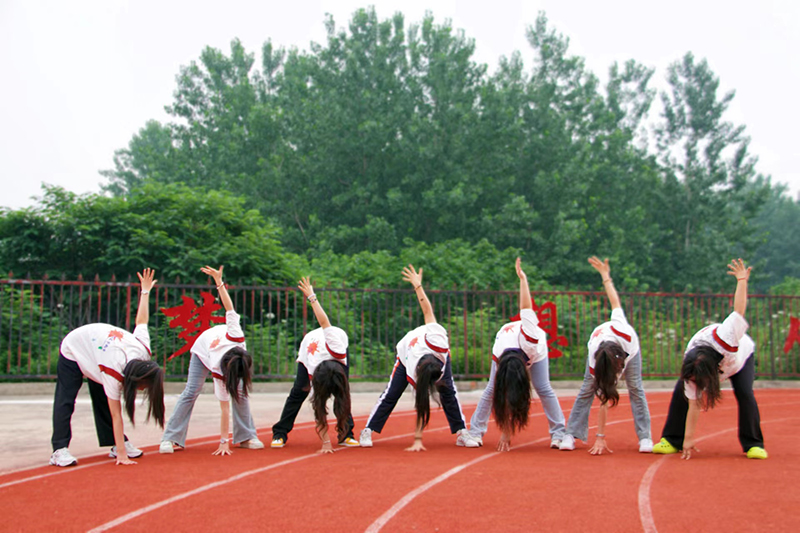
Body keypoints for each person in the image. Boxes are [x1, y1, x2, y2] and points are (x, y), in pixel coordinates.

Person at [50, 268, 165, 467]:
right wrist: (122, 455)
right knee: (66, 399)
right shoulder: (114, 370)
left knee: (103, 398)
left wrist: (145, 291)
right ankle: (59, 449)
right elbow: (116, 414)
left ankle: (114, 442)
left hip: (99, 353)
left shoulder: (143, 350)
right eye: (145, 386)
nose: (145, 390)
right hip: (76, 348)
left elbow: (142, 321)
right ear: (135, 379)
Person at [653, 259, 767, 460]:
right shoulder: (692, 359)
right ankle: (672, 440)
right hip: (705, 364)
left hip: (741, 359)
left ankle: (754, 444)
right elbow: (694, 405)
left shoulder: (726, 337)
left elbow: (738, 310)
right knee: (682, 392)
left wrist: (742, 281)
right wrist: (689, 439)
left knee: (745, 393)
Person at [360, 265, 480, 451]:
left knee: (449, 394)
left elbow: (427, 311)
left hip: (433, 355)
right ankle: (368, 430)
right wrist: (417, 440)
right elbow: (420, 402)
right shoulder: (413, 368)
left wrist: (418, 285)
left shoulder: (438, 341)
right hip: (406, 352)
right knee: (392, 394)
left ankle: (461, 432)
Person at [159, 265, 263, 456]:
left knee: (240, 392)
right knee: (192, 390)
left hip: (222, 351)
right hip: (202, 350)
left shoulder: (236, 336)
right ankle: (170, 437)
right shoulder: (217, 368)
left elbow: (229, 307)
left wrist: (219, 283)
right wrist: (223, 442)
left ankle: (246, 436)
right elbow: (224, 408)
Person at [468, 258, 566, 451]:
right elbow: (505, 392)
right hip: (507, 344)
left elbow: (525, 306)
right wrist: (506, 431)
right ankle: (475, 432)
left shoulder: (531, 336)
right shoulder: (499, 351)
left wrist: (523, 279)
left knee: (543, 387)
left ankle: (559, 433)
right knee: (491, 389)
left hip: (535, 352)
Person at [559, 257, 653, 454]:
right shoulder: (595, 354)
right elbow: (603, 396)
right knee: (587, 388)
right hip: (602, 349)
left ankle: (645, 437)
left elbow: (614, 302)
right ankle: (570, 433)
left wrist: (605, 276)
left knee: (635, 388)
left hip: (630, 351)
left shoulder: (625, 334)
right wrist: (600, 437)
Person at [270, 277, 358, 452]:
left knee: (342, 394)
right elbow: (319, 408)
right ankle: (280, 432)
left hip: (334, 353)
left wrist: (312, 297)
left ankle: (346, 433)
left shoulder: (337, 348)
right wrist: (325, 443)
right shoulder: (312, 370)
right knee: (298, 392)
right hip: (310, 348)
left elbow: (324, 322)